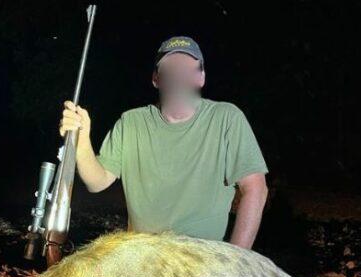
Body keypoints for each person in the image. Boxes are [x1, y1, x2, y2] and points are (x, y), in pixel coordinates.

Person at [59, 36, 269, 249]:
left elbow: (255, 188)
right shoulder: (132, 122)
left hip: (204, 258)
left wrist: (234, 259)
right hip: (143, 254)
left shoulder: (226, 118)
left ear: (201, 78)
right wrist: (82, 140)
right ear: (156, 79)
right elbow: (97, 182)